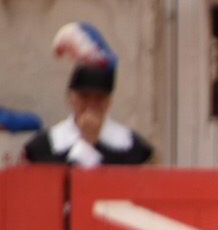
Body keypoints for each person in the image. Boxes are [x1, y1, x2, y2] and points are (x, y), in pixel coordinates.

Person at [25, 22, 152, 167]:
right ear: (70, 98)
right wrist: (86, 142)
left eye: (99, 98)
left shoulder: (133, 147)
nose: (91, 104)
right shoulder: (43, 146)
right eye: (84, 97)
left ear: (109, 101)